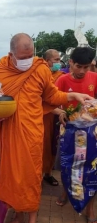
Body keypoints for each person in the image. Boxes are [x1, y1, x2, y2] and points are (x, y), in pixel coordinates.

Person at [0, 33, 93, 223]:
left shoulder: (40, 68)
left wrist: (72, 96)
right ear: (11, 54)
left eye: (31, 55)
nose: (28, 61)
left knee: (32, 179)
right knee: (14, 177)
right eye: (23, 57)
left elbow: (52, 96)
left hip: (32, 133)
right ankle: (18, 216)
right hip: (9, 133)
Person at [55, 47, 97, 223]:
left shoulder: (95, 78)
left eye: (86, 67)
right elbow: (51, 104)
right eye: (78, 66)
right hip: (69, 132)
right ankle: (66, 192)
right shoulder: (62, 80)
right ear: (70, 62)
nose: (81, 71)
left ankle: (90, 208)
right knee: (67, 165)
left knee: (91, 169)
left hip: (91, 132)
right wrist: (60, 113)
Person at [42, 49, 65, 186]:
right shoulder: (39, 76)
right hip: (42, 116)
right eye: (55, 60)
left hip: (57, 117)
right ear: (46, 61)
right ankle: (36, 174)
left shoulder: (61, 76)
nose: (58, 63)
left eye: (59, 60)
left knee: (52, 146)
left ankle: (48, 173)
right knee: (41, 146)